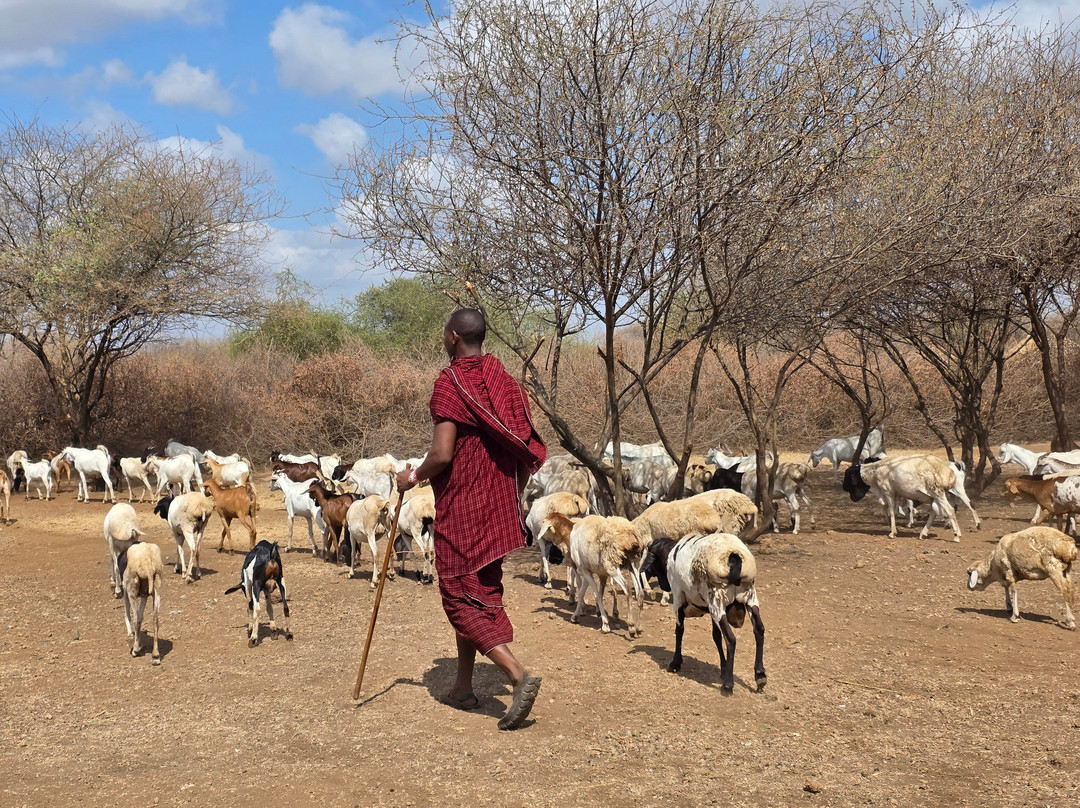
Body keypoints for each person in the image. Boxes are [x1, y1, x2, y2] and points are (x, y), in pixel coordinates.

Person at [396, 308, 547, 730]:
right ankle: (463, 687)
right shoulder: (507, 384)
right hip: (499, 510)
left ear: (452, 337)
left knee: (458, 597)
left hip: (463, 510)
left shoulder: (450, 383)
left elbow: (442, 454)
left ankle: (516, 675)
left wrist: (412, 477)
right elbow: (524, 450)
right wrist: (513, 499)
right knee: (478, 593)